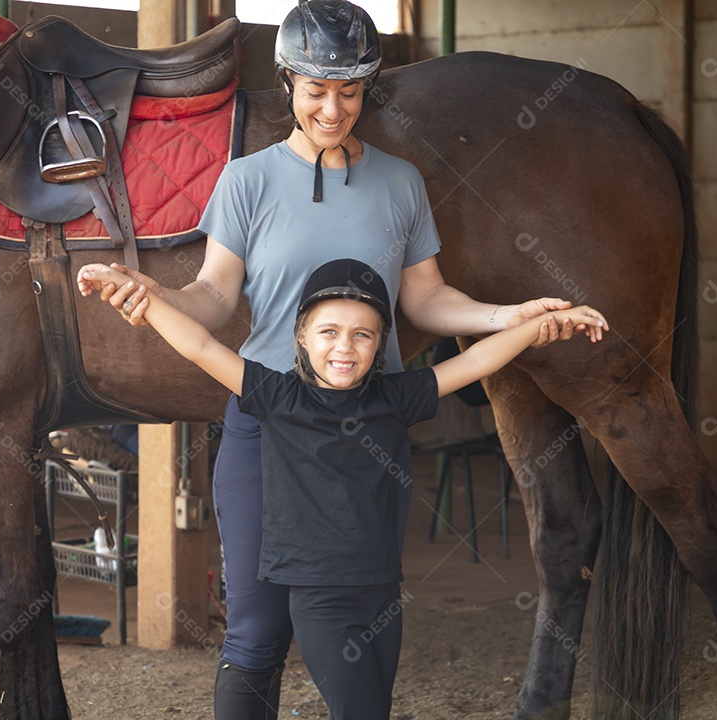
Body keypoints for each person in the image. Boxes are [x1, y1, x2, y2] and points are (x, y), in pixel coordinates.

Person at [94, 2, 607, 716]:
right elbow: (213, 298)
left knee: (360, 628)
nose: (333, 108)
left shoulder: (399, 183)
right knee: (255, 631)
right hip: (267, 423)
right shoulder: (247, 180)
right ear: (288, 84)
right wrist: (156, 299)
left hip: (369, 434)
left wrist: (507, 316)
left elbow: (425, 300)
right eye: (315, 89)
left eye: (350, 90)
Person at [78, 258, 607, 719]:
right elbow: (197, 344)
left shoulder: (393, 399)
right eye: (329, 332)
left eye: (362, 334)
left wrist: (542, 326)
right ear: (302, 338)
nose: (344, 348)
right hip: (320, 596)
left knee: (371, 709)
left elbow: (473, 362)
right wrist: (140, 297)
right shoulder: (275, 394)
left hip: (381, 592)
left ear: (379, 345)